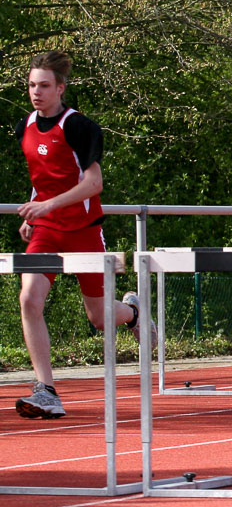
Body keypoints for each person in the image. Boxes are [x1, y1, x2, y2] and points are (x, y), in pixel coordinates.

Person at [14, 50, 156, 419]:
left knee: (98, 316)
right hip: (45, 230)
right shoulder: (24, 126)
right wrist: (35, 209)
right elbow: (42, 178)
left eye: (44, 85)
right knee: (29, 299)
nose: (36, 92)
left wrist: (47, 205)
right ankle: (46, 390)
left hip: (82, 230)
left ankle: (134, 312)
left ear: (60, 88)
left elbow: (93, 183)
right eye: (32, 85)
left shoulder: (79, 126)